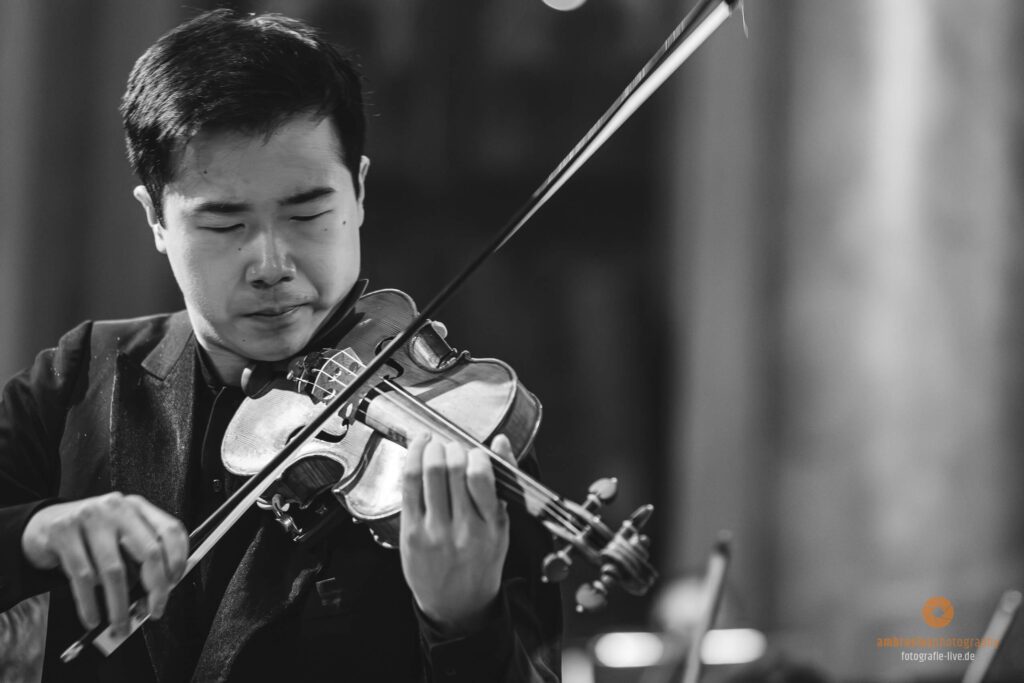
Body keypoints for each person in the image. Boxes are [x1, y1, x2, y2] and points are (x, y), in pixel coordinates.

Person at [0, 9, 562, 682]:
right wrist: (33, 533)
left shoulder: (461, 432)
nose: (271, 264)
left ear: (358, 191)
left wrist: (462, 621)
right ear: (155, 218)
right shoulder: (81, 378)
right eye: (224, 224)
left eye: (307, 213)